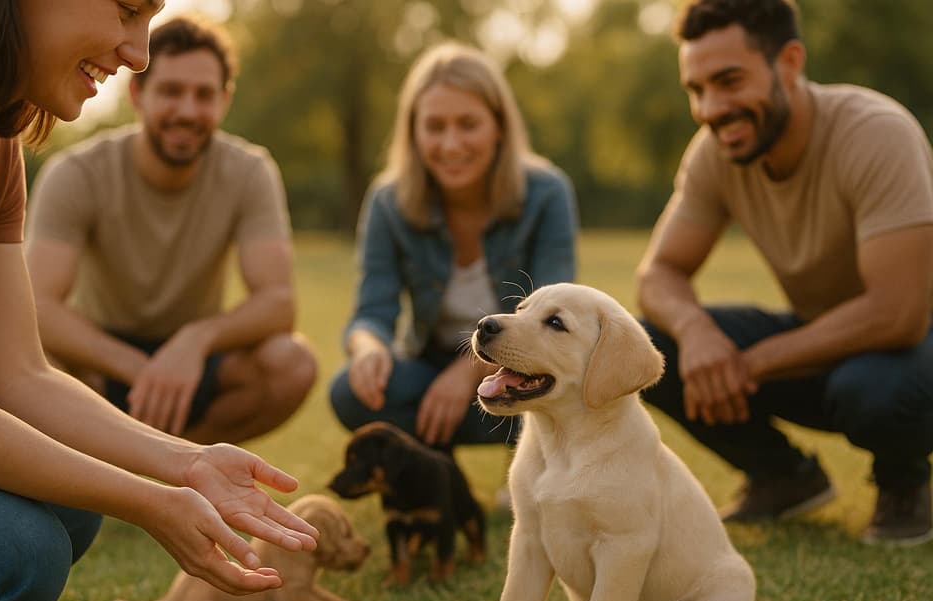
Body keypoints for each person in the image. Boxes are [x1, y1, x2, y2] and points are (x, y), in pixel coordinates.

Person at [0, 1, 318, 601]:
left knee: (71, 509)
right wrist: (152, 502)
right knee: (19, 557)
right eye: (128, 10)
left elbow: (16, 373)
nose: (139, 51)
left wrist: (186, 466)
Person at [636, 0, 933, 545]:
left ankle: (904, 481)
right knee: (651, 344)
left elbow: (901, 312)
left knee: (872, 389)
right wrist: (700, 336)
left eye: (728, 81)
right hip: (820, 338)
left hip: (912, 347)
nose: (710, 108)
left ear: (790, 62)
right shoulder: (714, 153)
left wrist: (749, 364)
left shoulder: (876, 133)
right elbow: (659, 273)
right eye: (696, 89)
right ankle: (783, 476)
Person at [26, 17, 316, 444]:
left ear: (224, 100)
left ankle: (185, 462)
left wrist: (196, 340)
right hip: (96, 364)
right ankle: (110, 455)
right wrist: (137, 367)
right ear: (138, 94)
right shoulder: (77, 171)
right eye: (171, 91)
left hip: (196, 365)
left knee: (292, 363)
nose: (187, 110)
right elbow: (36, 304)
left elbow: (277, 303)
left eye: (203, 95)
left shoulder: (250, 170)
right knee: (32, 359)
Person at [328, 42, 578, 455]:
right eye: (435, 126)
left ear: (498, 127)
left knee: (570, 382)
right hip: (427, 363)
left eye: (468, 124)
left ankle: (528, 454)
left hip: (524, 365)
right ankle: (435, 465)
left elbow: (550, 315)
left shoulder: (546, 192)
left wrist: (467, 374)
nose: (451, 143)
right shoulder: (388, 201)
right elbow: (371, 313)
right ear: (414, 132)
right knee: (349, 393)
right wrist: (368, 351)